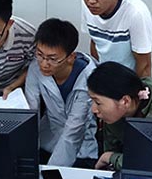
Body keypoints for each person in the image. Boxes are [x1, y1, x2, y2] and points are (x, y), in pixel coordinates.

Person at [87, 61, 152, 171]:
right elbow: (111, 151)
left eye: (98, 103)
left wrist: (112, 158)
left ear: (125, 101)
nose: (93, 109)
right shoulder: (116, 112)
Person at [25, 18, 98, 168]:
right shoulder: (35, 67)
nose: (44, 64)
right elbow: (31, 112)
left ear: (71, 57)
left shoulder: (88, 78)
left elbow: (74, 130)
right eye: (40, 55)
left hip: (82, 146)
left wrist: (50, 173)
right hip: (48, 138)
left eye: (52, 59)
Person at [80, 0, 152, 77]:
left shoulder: (136, 12)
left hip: (130, 81)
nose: (91, 1)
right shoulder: (87, 4)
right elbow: (95, 41)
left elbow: (144, 64)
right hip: (105, 79)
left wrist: (137, 93)